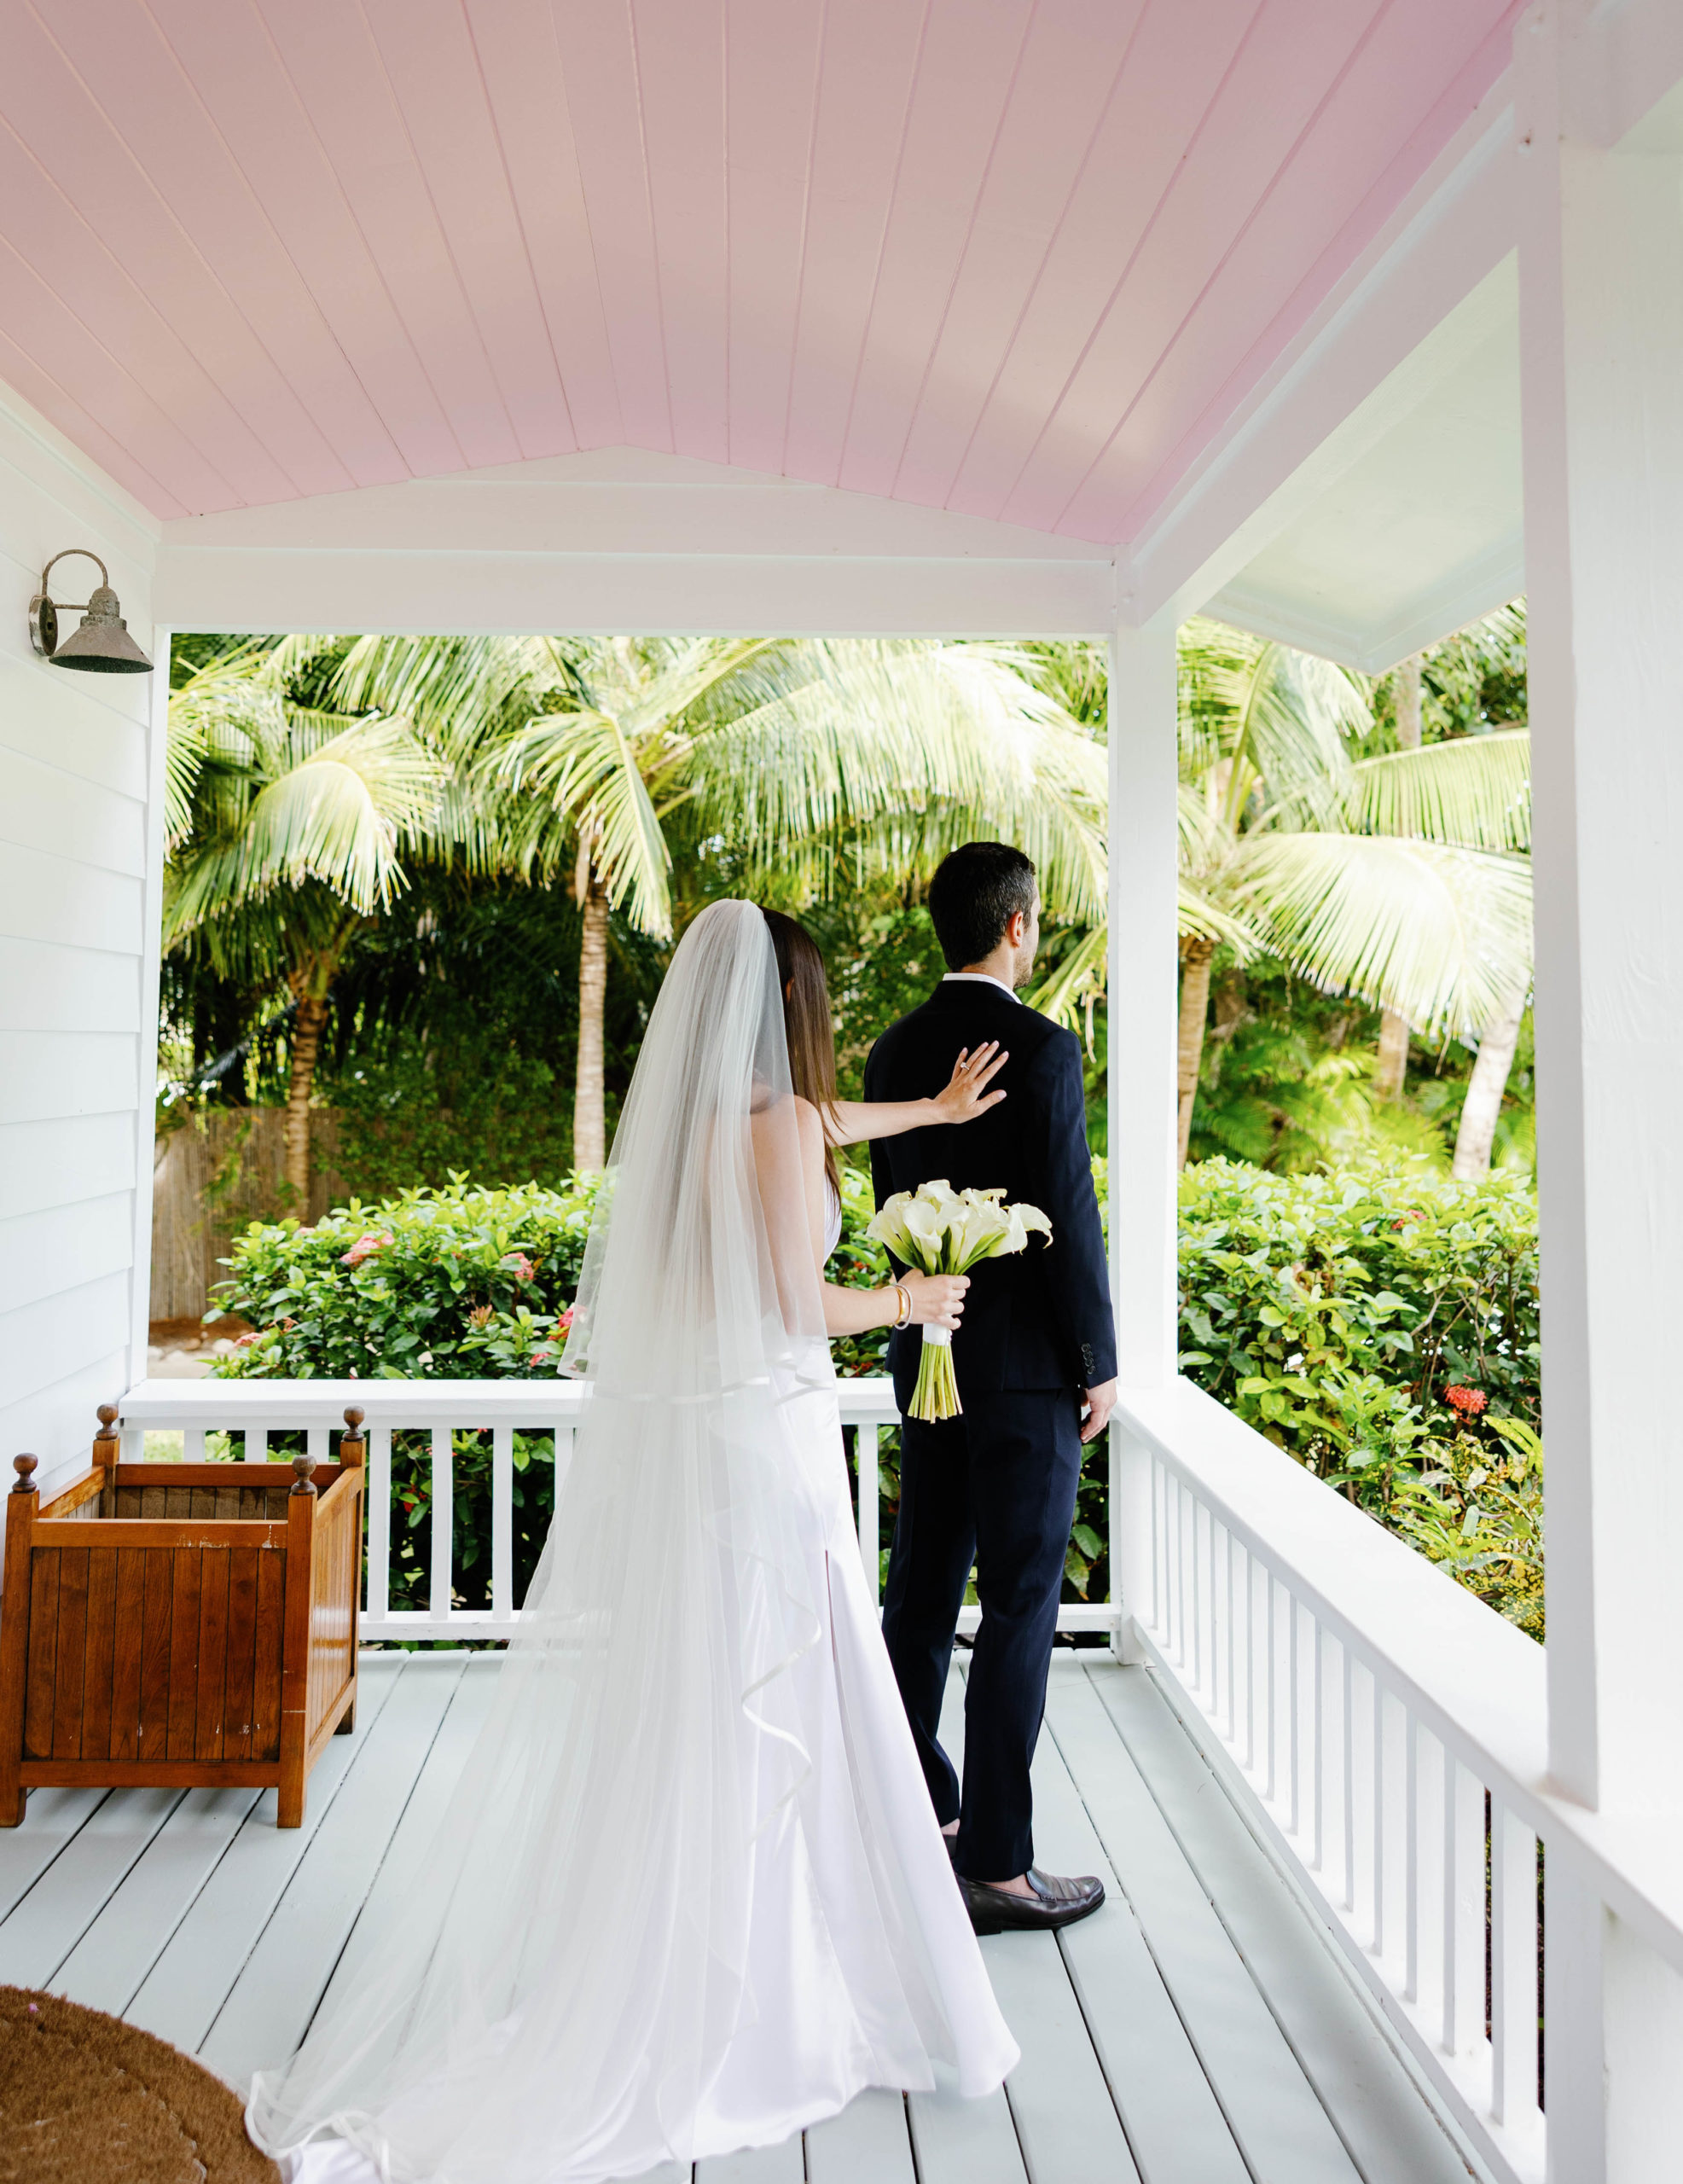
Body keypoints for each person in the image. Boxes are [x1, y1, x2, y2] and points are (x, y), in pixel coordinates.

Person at [247, 899, 1019, 2184]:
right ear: (795, 1014)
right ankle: (762, 2002)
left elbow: (822, 1128)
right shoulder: (774, 1129)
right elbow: (792, 1298)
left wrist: (929, 1114)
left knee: (727, 1705)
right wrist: (909, 1297)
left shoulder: (705, 1130)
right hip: (770, 1446)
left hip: (731, 1442)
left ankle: (747, 1959)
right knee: (784, 1707)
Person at [864, 842, 1116, 1936]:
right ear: (1015, 925)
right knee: (1017, 1607)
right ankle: (999, 1865)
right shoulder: (1044, 1048)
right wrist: (1095, 1365)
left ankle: (910, 1812)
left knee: (919, 1595)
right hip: (1021, 1381)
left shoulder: (889, 1051)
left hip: (927, 1361)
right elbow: (1068, 1214)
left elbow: (889, 1213)